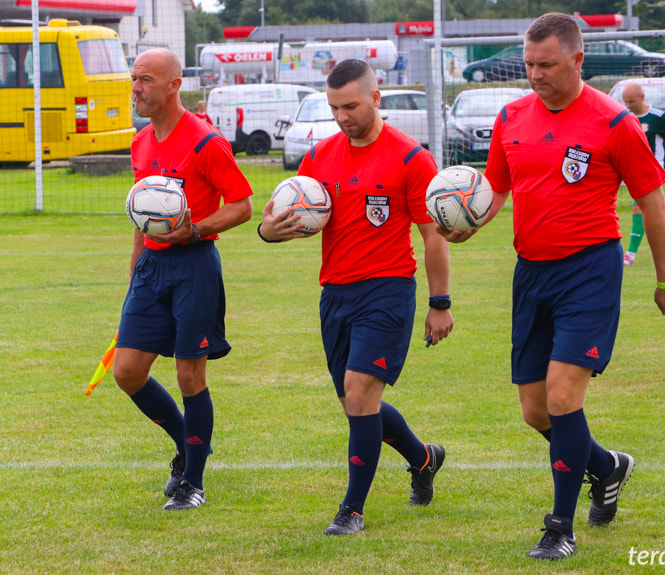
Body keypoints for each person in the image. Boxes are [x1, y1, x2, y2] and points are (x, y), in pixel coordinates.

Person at [439, 13, 665, 560]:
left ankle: (559, 526)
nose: (535, 75)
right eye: (528, 64)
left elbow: (652, 201)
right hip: (531, 272)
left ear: (577, 60)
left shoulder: (612, 121)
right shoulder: (511, 117)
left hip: (589, 271)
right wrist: (465, 225)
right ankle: (607, 465)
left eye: (546, 64)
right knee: (535, 410)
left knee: (562, 394)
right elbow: (497, 191)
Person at [258, 59, 453, 536]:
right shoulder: (320, 156)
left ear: (375, 97)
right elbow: (284, 220)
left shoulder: (411, 158)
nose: (343, 116)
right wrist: (270, 230)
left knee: (362, 395)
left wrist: (440, 303)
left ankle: (352, 510)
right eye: (334, 107)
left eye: (351, 105)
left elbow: (433, 235)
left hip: (387, 291)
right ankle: (424, 458)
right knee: (352, 400)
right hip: (335, 294)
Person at [113, 48, 254, 511]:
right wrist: (135, 271)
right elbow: (142, 219)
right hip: (152, 269)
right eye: (135, 78)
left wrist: (195, 229)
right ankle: (191, 444)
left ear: (174, 85)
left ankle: (193, 480)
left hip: (194, 264)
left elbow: (241, 205)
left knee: (189, 373)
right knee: (128, 371)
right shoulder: (140, 143)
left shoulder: (205, 142)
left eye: (146, 79)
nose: (137, 88)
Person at [621, 82, 665, 266]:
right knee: (651, 211)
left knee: (639, 208)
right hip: (635, 169)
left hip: (653, 169)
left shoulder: (657, 116)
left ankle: (630, 255)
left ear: (642, 98)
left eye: (631, 101)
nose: (628, 105)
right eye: (625, 101)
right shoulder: (626, 116)